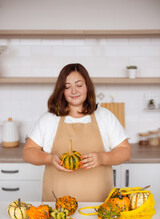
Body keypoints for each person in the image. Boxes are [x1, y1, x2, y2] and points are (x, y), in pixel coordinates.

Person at [23, 63, 131, 202]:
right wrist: (49, 159)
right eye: (67, 87)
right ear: (61, 90)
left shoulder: (105, 116)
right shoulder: (49, 119)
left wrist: (102, 158)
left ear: (87, 87)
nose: (74, 91)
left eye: (79, 85)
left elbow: (125, 152)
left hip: (99, 206)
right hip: (57, 207)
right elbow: (28, 152)